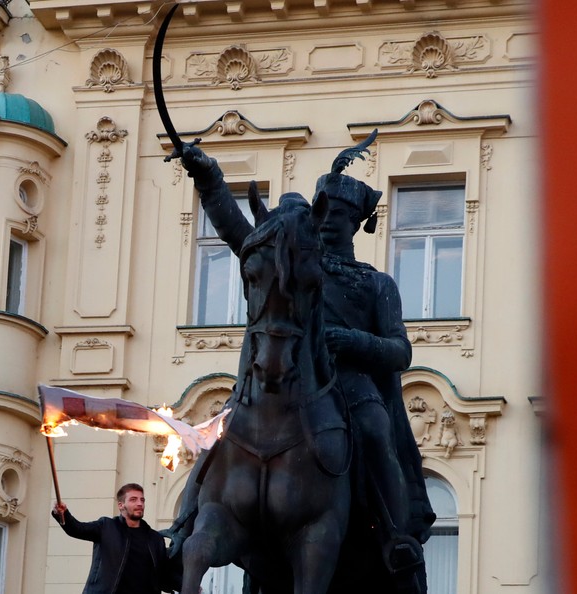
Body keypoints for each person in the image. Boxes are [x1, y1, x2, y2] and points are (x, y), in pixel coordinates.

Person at [170, 134, 435, 592]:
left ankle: (396, 536)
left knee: (374, 428)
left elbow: (399, 351)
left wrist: (350, 340)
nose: (332, 221)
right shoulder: (294, 257)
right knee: (222, 431)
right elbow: (237, 229)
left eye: (344, 214)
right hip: (284, 377)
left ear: (357, 224)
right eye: (327, 210)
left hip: (350, 386)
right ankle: (185, 523)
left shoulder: (376, 283)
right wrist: (207, 175)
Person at [52, 483, 181, 594]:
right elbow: (77, 529)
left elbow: (164, 577)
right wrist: (64, 514)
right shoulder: (106, 526)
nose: (139, 503)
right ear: (121, 505)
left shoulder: (155, 539)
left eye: (142, 500)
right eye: (133, 499)